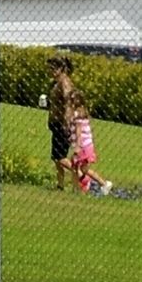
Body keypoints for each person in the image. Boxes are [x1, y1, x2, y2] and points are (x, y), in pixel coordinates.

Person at [46, 55, 104, 194]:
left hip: (61, 123)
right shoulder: (57, 82)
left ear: (61, 69)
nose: (50, 72)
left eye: (53, 69)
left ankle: (82, 177)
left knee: (60, 158)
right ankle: (60, 185)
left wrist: (66, 122)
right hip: (55, 122)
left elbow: (67, 102)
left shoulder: (64, 83)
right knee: (56, 158)